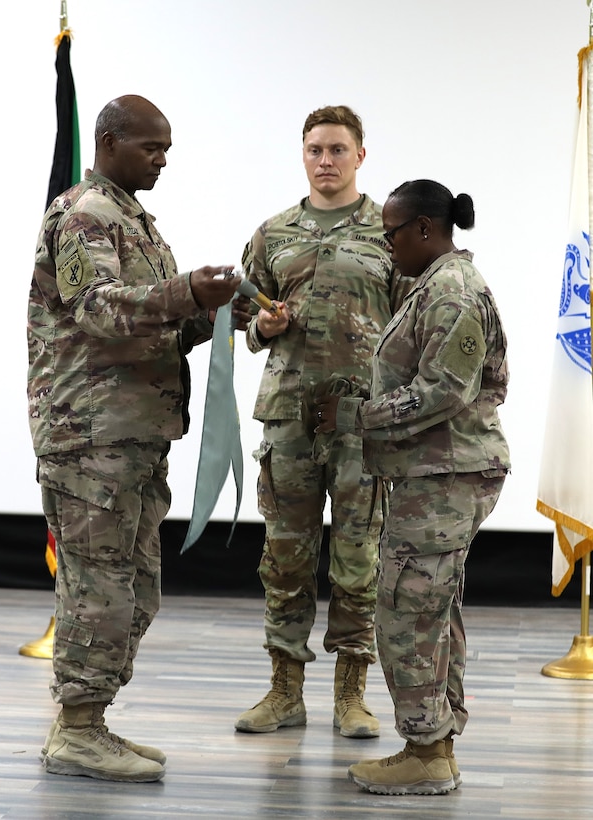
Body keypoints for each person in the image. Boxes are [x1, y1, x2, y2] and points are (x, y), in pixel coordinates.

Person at [27, 94, 247, 783]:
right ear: (109, 140)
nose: (161, 161)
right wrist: (187, 292)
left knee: (135, 590)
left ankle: (90, 719)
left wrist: (228, 319)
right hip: (90, 437)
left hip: (134, 438)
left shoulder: (136, 221)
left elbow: (157, 326)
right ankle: (77, 729)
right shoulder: (85, 216)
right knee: (99, 589)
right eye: (150, 147)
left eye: (167, 149)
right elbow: (98, 311)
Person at [315, 179, 511, 795]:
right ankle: (436, 744)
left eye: (392, 233)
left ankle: (425, 750)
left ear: (424, 229)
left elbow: (444, 391)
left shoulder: (451, 291)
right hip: (435, 472)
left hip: (445, 475)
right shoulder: (435, 284)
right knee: (433, 607)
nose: (387, 244)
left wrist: (354, 418)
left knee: (407, 610)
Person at [235, 105, 405, 739]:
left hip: (363, 422)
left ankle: (352, 696)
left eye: (336, 149)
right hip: (289, 421)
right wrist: (261, 326)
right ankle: (283, 692)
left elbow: (414, 325)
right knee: (284, 558)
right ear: (302, 155)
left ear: (360, 155)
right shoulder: (272, 233)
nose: (325, 160)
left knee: (358, 559)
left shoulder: (391, 232)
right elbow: (236, 315)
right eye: (314, 149)